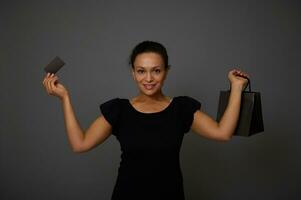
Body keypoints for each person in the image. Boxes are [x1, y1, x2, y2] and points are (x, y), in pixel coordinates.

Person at [42, 40, 249, 200]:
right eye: (141, 71)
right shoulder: (119, 110)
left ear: (166, 71)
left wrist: (237, 88)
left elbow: (223, 133)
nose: (148, 79)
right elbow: (80, 144)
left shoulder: (181, 109)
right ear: (133, 73)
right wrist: (65, 98)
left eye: (156, 71)